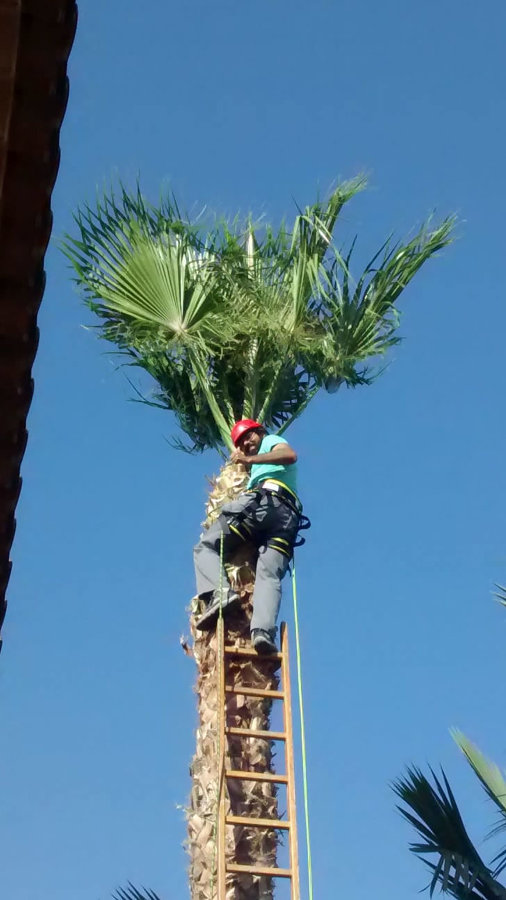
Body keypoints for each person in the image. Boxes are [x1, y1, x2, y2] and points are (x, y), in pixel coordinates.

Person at [193, 419, 303, 654]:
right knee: (269, 573)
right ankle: (262, 632)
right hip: (286, 519)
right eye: (242, 442)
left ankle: (219, 593)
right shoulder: (258, 458)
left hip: (263, 504)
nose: (247, 443)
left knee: (206, 545)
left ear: (260, 431)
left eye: (249, 436)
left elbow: (289, 454)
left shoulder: (271, 441)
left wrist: (248, 459)